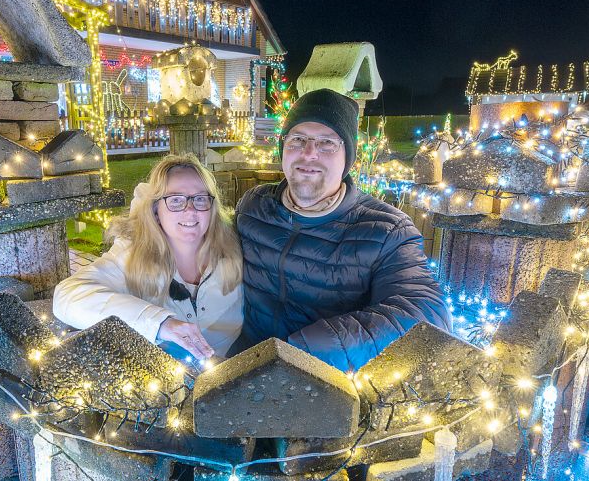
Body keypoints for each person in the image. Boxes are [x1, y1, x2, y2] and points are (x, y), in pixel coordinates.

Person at [233, 88, 451, 372]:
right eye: (298, 139)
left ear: (347, 156)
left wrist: (305, 350)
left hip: (325, 381)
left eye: (327, 143)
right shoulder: (254, 206)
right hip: (241, 366)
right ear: (283, 147)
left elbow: (427, 313)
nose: (309, 153)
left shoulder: (386, 230)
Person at [53, 154, 243, 361]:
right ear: (155, 211)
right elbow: (67, 297)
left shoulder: (234, 247)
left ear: (211, 208)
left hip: (232, 374)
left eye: (200, 199)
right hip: (168, 384)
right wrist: (159, 323)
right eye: (176, 200)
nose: (190, 210)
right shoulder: (133, 254)